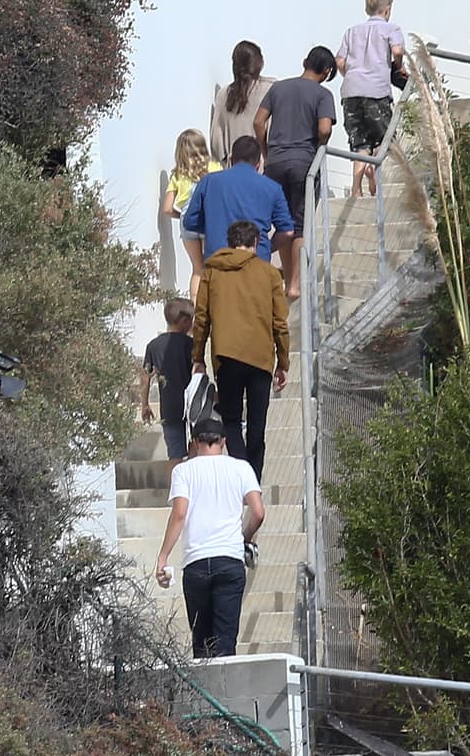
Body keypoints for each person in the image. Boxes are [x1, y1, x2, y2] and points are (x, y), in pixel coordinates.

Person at [155, 417, 265, 658]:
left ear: (195, 442)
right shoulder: (241, 468)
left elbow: (179, 514)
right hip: (229, 560)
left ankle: (203, 683)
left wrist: (163, 556)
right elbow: (258, 512)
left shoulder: (183, 471)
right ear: (223, 442)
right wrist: (244, 538)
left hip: (196, 562)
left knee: (202, 644)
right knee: (225, 643)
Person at [191, 220, 290, 484]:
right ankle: (252, 481)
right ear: (256, 242)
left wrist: (198, 357)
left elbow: (201, 318)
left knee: (232, 422)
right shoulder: (269, 273)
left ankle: (240, 478)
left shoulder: (212, 270)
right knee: (257, 426)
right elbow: (279, 322)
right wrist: (283, 361)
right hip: (260, 358)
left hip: (226, 356)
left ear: (230, 242)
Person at [254, 46, 337, 299]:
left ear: (304, 62)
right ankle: (295, 286)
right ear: (327, 71)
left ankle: (287, 280)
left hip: (275, 163)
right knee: (300, 226)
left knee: (283, 223)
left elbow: (258, 122)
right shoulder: (323, 94)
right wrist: (319, 148)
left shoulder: (278, 88)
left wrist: (266, 151)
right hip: (304, 163)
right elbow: (324, 129)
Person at [336, 0, 406, 197]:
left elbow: (339, 61)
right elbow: (397, 50)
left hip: (351, 92)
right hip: (376, 92)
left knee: (359, 142)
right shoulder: (391, 29)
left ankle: (356, 189)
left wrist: (350, 75)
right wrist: (399, 65)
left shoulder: (351, 31)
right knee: (385, 139)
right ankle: (373, 170)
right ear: (387, 9)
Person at [182, 135, 294, 262]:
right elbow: (287, 232)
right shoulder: (273, 188)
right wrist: (266, 248)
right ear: (259, 164)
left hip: (218, 262)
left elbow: (189, 222)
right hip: (256, 262)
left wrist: (213, 228)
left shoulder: (208, 181)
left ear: (231, 160)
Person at [163, 129, 221, 303]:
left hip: (187, 223)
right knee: (213, 265)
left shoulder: (177, 175)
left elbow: (167, 208)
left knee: (197, 268)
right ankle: (213, 304)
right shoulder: (214, 168)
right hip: (208, 220)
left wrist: (183, 215)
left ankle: (194, 308)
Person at [140, 298, 196, 466]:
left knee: (175, 454)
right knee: (197, 446)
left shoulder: (153, 346)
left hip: (169, 407)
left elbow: (145, 377)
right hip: (192, 404)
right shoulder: (191, 344)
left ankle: (176, 483)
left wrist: (145, 404)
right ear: (184, 321)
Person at [211, 41, 276, 167]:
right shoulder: (270, 88)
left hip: (234, 165)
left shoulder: (223, 94)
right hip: (261, 166)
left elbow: (216, 141)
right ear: (259, 63)